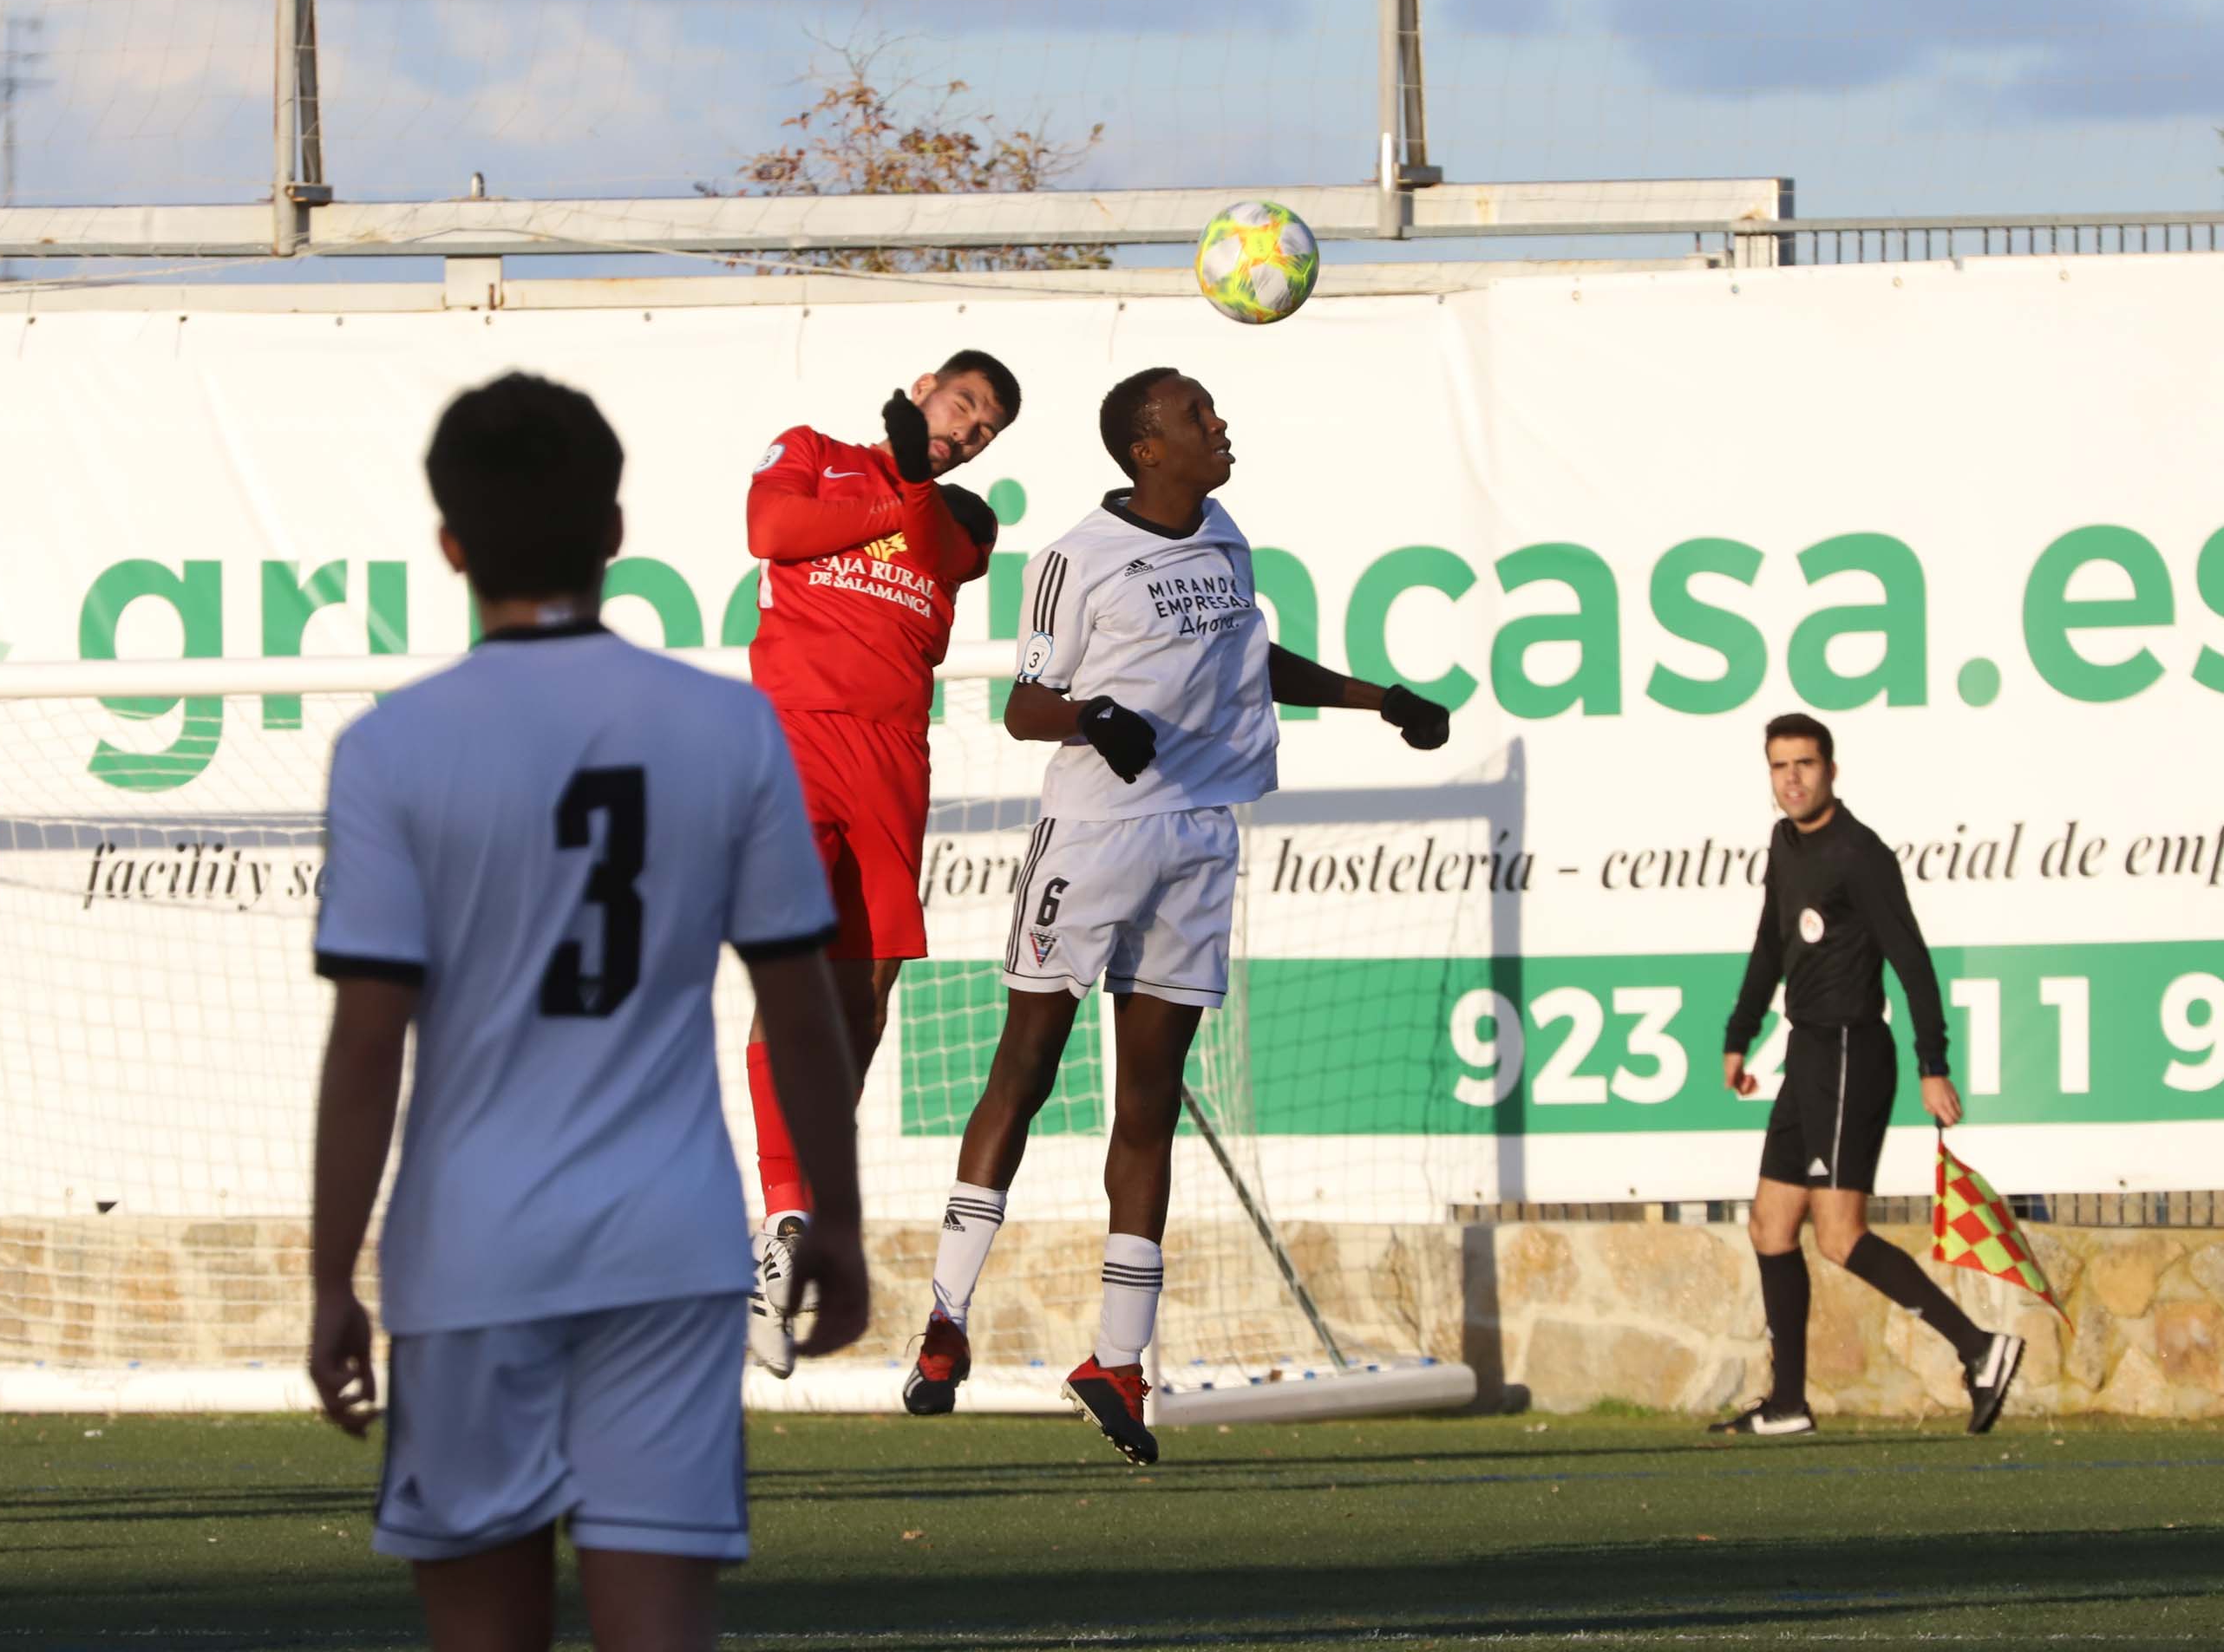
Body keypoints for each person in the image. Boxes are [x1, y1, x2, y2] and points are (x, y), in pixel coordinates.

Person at [306, 372, 868, 1649]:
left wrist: (330, 1276)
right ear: (616, 531)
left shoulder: (393, 746)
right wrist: (833, 1214)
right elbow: (800, 1002)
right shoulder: (727, 725)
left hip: (468, 1252)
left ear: (450, 546)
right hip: (666, 1246)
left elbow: (366, 1046)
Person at [899, 367, 1451, 1464]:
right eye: (1199, 415)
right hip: (1096, 839)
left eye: (1215, 410)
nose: (1220, 423)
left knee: (1150, 1095)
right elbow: (1023, 706)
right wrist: (1096, 715)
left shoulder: (1228, 535)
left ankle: (1119, 1359)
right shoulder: (1075, 556)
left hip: (1201, 836)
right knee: (1030, 1065)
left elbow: (1252, 664)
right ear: (1147, 447)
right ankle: (946, 1318)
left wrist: (1378, 698)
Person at [737, 352, 1013, 1377]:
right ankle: (786, 1211)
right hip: (793, 739)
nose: (973, 427)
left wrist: (914, 485)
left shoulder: (953, 523)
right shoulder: (812, 452)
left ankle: (799, 1203)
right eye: (965, 404)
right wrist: (893, 488)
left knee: (869, 991)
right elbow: (774, 533)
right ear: (928, 383)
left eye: (988, 429)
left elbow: (945, 543)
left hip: (894, 759)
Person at [1713, 711, 2023, 1439]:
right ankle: (1787, 1403)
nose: (1792, 778)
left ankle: (1980, 1348)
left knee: (1840, 1236)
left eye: (1805, 765)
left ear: (1831, 770)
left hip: (1854, 1053)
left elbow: (1912, 962)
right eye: (1779, 766)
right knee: (1769, 1226)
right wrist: (1740, 1031)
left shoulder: (1859, 854)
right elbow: (1769, 942)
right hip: (1805, 1053)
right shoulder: (1785, 844)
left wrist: (1932, 1064)